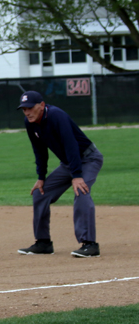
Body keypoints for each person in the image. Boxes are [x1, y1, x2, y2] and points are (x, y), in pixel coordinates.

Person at [16, 91, 104, 257]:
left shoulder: (57, 116)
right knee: (40, 194)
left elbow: (71, 145)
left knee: (81, 190)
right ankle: (43, 243)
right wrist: (41, 178)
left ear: (41, 105)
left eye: (30, 107)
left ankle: (90, 244)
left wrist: (77, 176)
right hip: (68, 164)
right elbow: (39, 150)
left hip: (88, 158)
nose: (27, 112)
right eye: (23, 109)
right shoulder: (30, 123)